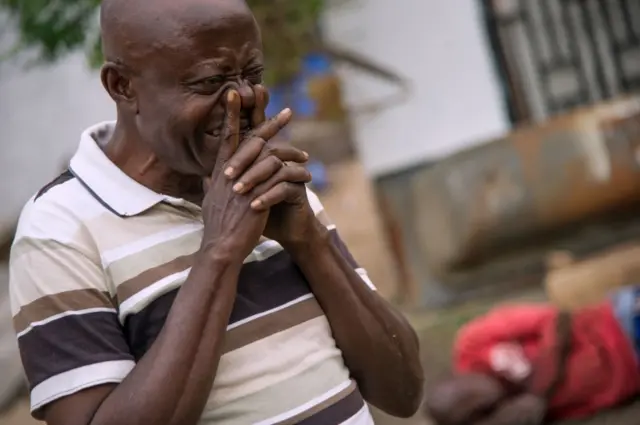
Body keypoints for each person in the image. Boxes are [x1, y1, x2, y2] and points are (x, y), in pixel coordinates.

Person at [8, 0, 424, 424]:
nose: (243, 97)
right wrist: (220, 252)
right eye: (210, 81)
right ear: (123, 86)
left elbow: (403, 390)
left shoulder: (268, 180)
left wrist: (310, 243)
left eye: (253, 75)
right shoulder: (57, 233)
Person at [423, 285, 640, 425]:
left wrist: (538, 393)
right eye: (470, 411)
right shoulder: (509, 413)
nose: (476, 401)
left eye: (464, 395)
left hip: (621, 322)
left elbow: (558, 319)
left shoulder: (472, 344)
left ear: (454, 376)